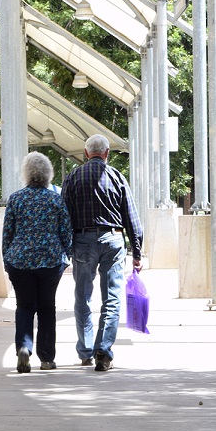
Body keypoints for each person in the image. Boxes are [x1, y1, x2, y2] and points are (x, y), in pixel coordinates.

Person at [61, 134, 143, 372]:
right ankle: (103, 352)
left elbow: (64, 216)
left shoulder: (73, 177)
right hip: (113, 240)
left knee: (82, 296)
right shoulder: (117, 177)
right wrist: (137, 251)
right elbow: (131, 217)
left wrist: (66, 249)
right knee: (112, 299)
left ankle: (86, 351)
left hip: (82, 240)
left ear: (86, 153)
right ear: (107, 153)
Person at [2, 152, 73, 373]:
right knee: (46, 308)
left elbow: (8, 233)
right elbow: (66, 232)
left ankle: (24, 348)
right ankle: (46, 358)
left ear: (26, 173)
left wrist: (7, 258)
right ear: (48, 174)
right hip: (50, 262)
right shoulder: (55, 199)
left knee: (24, 306)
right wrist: (66, 255)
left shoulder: (16, 198)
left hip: (20, 261)